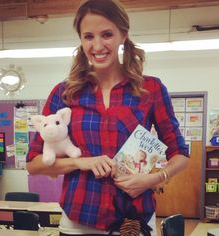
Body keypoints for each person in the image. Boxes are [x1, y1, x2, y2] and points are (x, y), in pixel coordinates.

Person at [26, 0, 189, 235]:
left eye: (107, 34)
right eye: (88, 36)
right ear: (81, 40)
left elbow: (180, 154)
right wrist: (81, 162)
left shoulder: (150, 90)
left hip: (133, 220)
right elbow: (33, 164)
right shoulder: (64, 93)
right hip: (79, 220)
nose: (98, 45)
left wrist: (153, 179)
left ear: (123, 35)